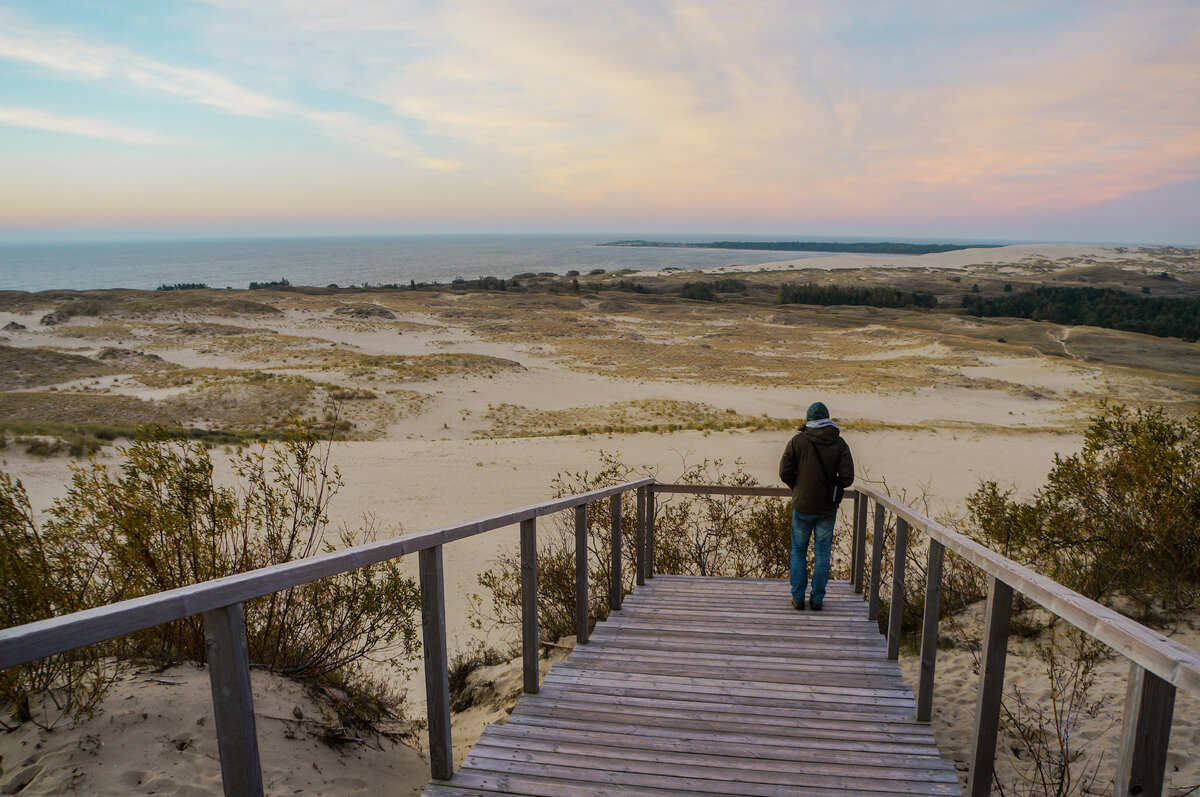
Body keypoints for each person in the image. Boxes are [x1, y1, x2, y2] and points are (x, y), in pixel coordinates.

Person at [778, 401, 854, 611]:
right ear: (827, 418)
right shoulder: (839, 443)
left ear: (809, 420)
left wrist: (798, 487)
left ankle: (797, 597)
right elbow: (847, 478)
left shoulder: (797, 441)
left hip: (802, 506)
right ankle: (817, 599)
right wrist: (833, 485)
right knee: (822, 553)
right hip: (826, 508)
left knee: (798, 551)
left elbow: (784, 471)